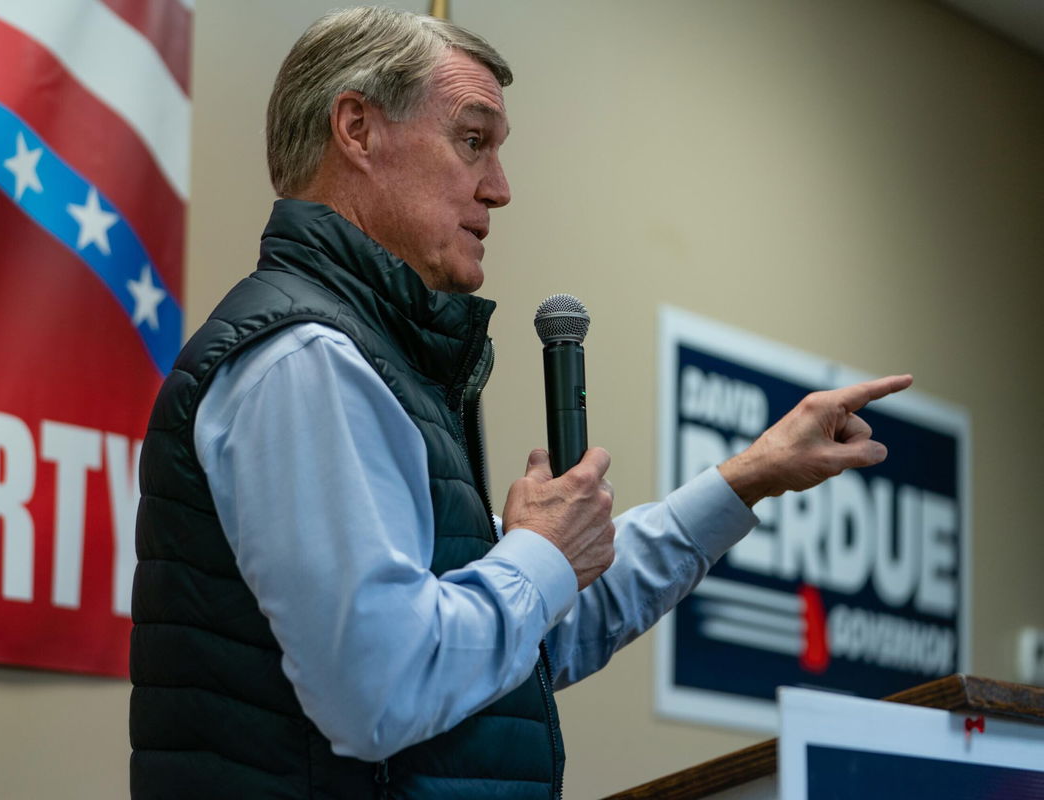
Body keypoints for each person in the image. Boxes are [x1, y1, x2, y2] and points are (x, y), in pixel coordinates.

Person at [128, 7, 912, 799]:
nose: (499, 190)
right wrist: (538, 555)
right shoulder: (305, 361)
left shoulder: (367, 358)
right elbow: (382, 688)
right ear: (358, 130)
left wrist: (750, 477)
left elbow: (520, 634)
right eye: (473, 141)